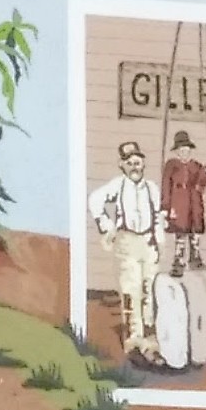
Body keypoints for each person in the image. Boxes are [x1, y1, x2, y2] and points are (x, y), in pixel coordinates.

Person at [85, 139, 161, 354]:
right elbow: (95, 200)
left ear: (143, 163)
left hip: (148, 242)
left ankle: (150, 337)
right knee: (130, 290)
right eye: (129, 163)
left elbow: (157, 215)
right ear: (122, 165)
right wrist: (107, 226)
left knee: (150, 290)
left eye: (137, 162)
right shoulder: (117, 185)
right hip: (127, 241)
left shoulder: (151, 188)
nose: (134, 167)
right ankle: (133, 338)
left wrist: (158, 241)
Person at [158, 128, 206, 271]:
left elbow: (203, 178)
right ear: (177, 151)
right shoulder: (171, 165)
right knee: (181, 230)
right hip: (179, 201)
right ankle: (178, 260)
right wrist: (165, 207)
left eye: (186, 150)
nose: (184, 153)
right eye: (181, 150)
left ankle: (195, 258)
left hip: (194, 200)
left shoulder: (195, 165)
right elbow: (166, 185)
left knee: (195, 230)